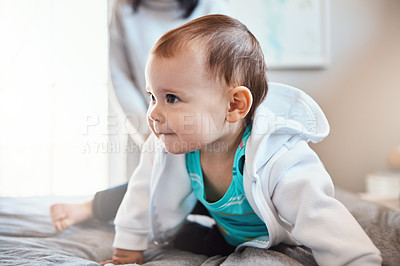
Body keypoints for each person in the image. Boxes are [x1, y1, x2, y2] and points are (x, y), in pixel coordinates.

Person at [100, 14, 382, 265]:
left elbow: (320, 216)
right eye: (152, 97)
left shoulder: (278, 157)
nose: (154, 113)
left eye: (171, 98)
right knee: (181, 237)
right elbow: (141, 192)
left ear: (234, 105)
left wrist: (356, 259)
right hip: (224, 235)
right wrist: (127, 248)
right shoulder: (171, 145)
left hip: (278, 239)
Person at [50, 0, 229, 232]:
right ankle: (91, 207)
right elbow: (119, 77)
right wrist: (147, 129)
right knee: (151, 183)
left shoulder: (209, 7)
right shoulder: (122, 9)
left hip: (205, 123)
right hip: (153, 126)